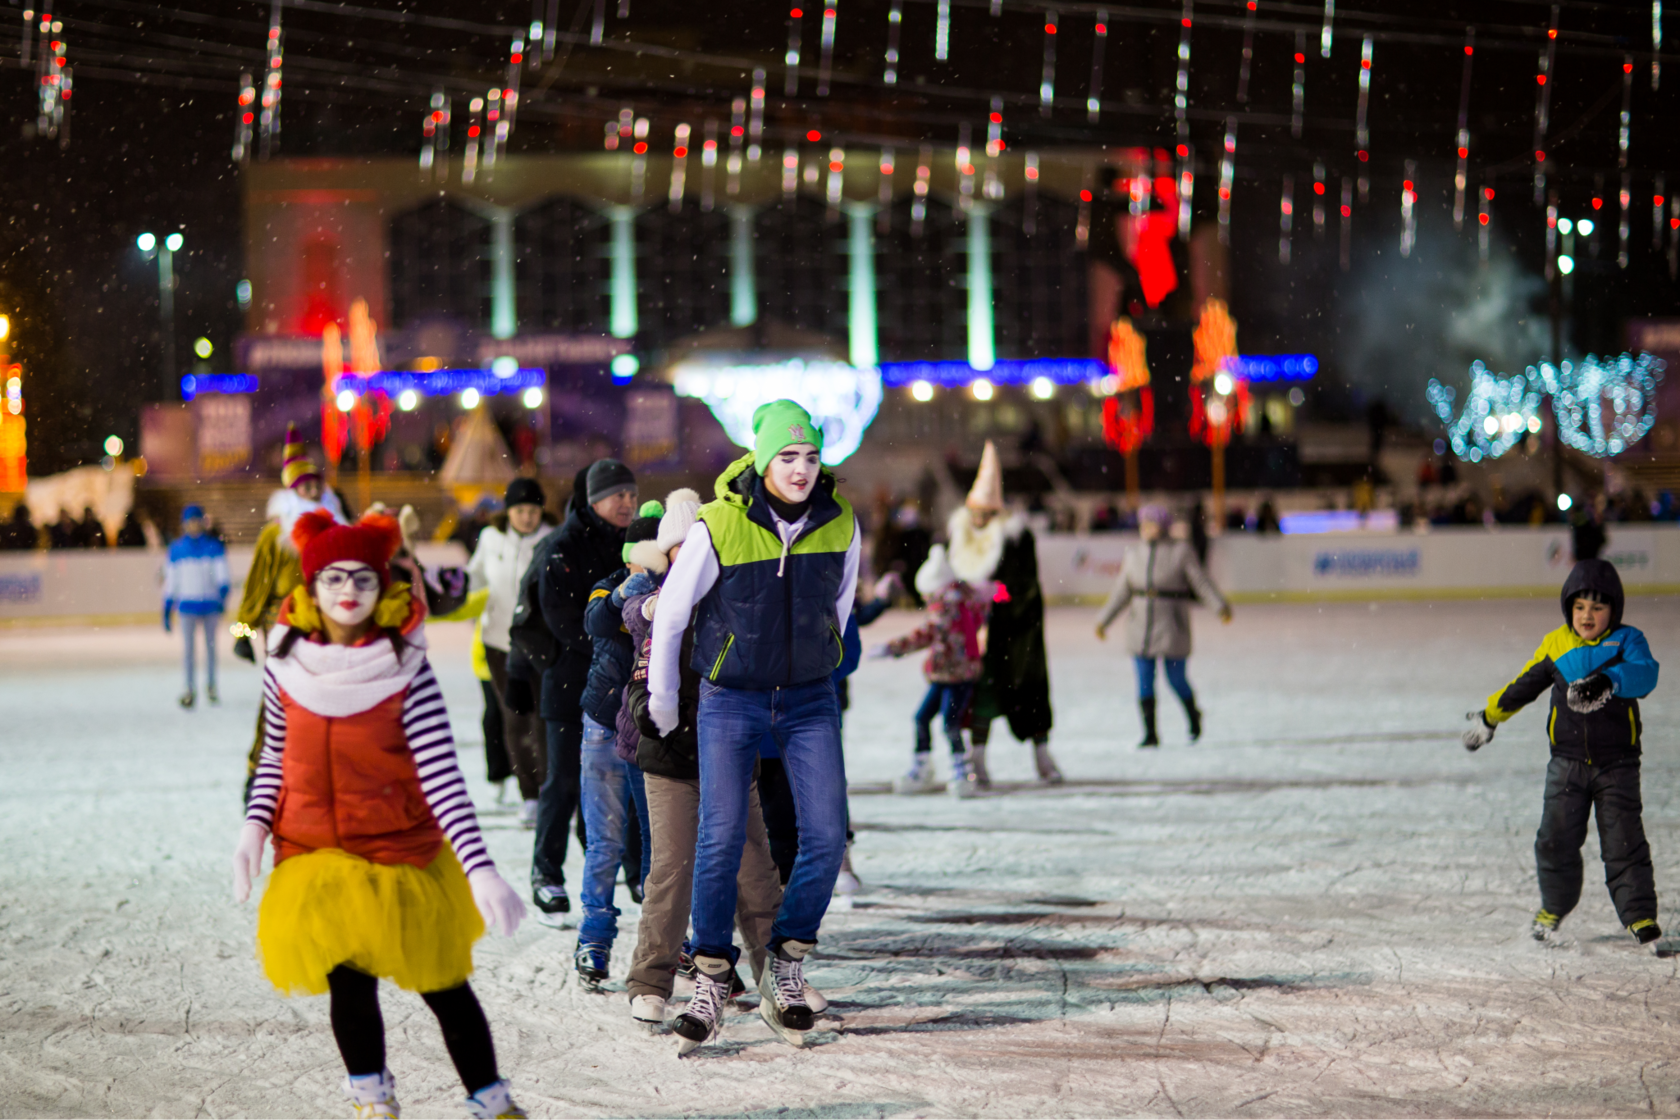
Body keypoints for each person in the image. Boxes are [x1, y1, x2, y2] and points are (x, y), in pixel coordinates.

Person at [233, 509, 530, 1120]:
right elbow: (274, 759)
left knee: (443, 982)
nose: (348, 592)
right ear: (311, 586)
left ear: (382, 585)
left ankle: (491, 1100)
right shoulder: (284, 664)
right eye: (334, 579)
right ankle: (372, 1097)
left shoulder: (405, 667)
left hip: (399, 850)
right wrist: (252, 830)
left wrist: (478, 868)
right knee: (348, 981)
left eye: (363, 580)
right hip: (314, 854)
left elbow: (442, 774)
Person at [649, 400, 859, 1052]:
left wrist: (816, 653)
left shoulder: (840, 521)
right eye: (787, 457)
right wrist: (663, 697)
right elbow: (673, 616)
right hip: (731, 698)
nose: (800, 470)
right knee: (721, 837)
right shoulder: (719, 525)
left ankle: (787, 964)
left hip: (808, 700)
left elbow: (842, 606)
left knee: (826, 836)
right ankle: (712, 976)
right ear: (763, 460)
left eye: (811, 457)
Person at [621, 487, 792, 1031]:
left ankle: (776, 978)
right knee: (671, 870)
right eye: (675, 553)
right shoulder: (656, 607)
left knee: (754, 871)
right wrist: (647, 710)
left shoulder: (733, 606)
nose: (686, 562)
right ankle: (650, 981)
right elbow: (639, 669)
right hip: (671, 760)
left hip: (729, 758)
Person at [1462, 559, 1663, 948]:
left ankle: (1639, 915)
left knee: (1623, 841)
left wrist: (1609, 679)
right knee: (1554, 840)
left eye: (1598, 607)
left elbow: (1647, 674)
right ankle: (1554, 905)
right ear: (1569, 609)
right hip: (1566, 765)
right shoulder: (1556, 644)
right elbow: (1524, 685)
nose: (1587, 615)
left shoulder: (1628, 641)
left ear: (1614, 611)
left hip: (1617, 764)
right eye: (1580, 607)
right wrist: (1490, 717)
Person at [529, 459, 638, 923]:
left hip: (621, 685)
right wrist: (611, 633)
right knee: (564, 783)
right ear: (594, 499)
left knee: (631, 781)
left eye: (632, 495)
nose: (627, 503)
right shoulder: (561, 546)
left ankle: (636, 871)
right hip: (570, 682)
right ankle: (546, 872)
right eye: (619, 495)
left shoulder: (637, 545)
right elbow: (559, 617)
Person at [572, 500, 664, 987]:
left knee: (658, 845)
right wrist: (618, 599)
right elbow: (595, 622)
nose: (646, 568)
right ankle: (595, 937)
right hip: (605, 724)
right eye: (639, 558)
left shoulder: (675, 590)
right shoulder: (608, 584)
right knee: (604, 841)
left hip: (651, 732)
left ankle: (663, 947)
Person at [235, 425, 344, 798]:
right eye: (305, 486)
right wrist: (243, 636)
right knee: (280, 699)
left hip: (330, 629)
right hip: (283, 629)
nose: (313, 492)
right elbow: (255, 588)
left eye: (317, 485)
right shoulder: (276, 534)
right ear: (292, 491)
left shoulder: (337, 529)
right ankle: (259, 771)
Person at [946, 440, 1062, 786]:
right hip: (978, 634)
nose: (979, 519)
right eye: (975, 512)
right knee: (981, 694)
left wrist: (999, 595)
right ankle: (977, 759)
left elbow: (1026, 585)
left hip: (1016, 631)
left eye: (985, 513)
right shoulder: (960, 537)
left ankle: (1042, 755)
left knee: (1029, 691)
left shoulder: (1016, 539)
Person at [1095, 503, 1231, 748]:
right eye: (1144, 523)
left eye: (1152, 523)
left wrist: (1219, 606)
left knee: (1176, 678)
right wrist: (1103, 620)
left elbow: (1200, 582)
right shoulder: (1133, 554)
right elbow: (1121, 592)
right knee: (1144, 681)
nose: (1147, 528)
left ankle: (1193, 715)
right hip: (1140, 628)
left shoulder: (1180, 552)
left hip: (1171, 625)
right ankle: (1150, 733)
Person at [465, 478, 557, 830]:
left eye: (533, 511)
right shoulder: (491, 539)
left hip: (538, 644)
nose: (527, 517)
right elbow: (474, 578)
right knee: (514, 720)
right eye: (520, 510)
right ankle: (529, 795)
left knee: (543, 720)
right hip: (499, 645)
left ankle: (550, 790)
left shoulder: (551, 537)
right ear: (509, 511)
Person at [874, 545, 990, 797]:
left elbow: (926, 633)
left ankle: (961, 771)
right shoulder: (964, 601)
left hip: (955, 675)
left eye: (926, 595)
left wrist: (892, 648)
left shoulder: (947, 606)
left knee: (948, 723)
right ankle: (924, 767)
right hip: (949, 673)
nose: (925, 601)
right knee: (924, 717)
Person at [162, 504, 229, 710]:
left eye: (196, 520)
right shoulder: (177, 549)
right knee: (189, 651)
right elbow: (172, 581)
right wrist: (167, 606)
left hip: (209, 605)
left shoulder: (214, 547)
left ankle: (211, 685)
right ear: (184, 524)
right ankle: (189, 688)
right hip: (187, 606)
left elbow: (223, 576)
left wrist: (222, 596)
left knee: (210, 649)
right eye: (190, 521)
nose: (193, 525)